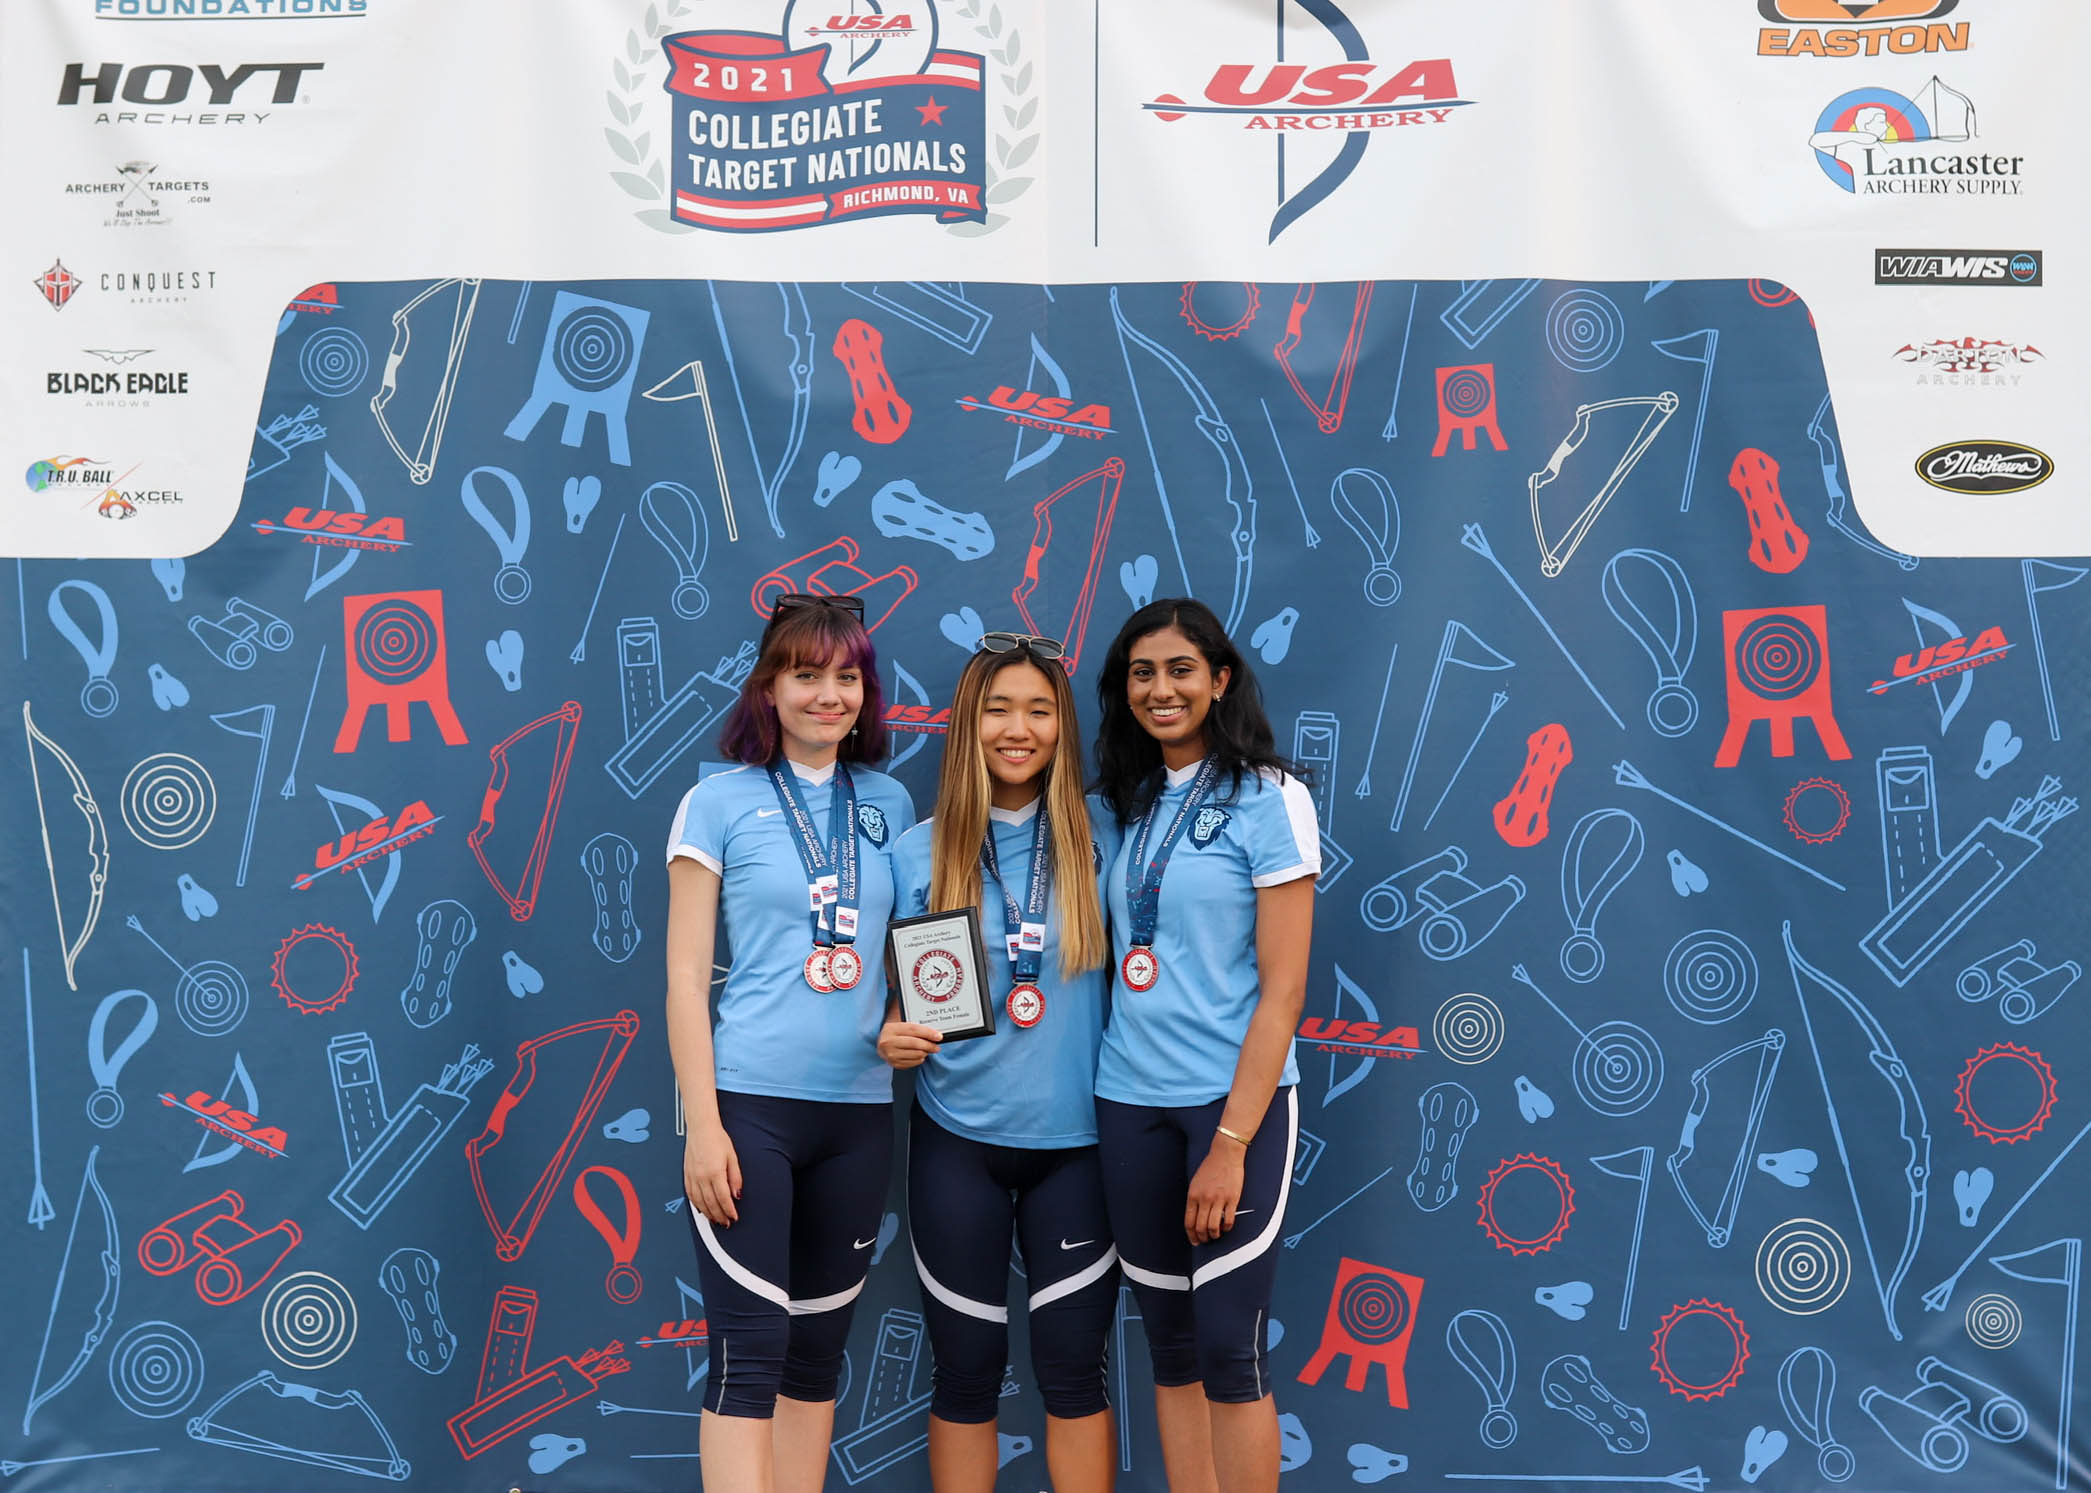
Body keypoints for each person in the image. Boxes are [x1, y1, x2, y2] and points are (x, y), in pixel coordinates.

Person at [664, 594, 916, 1492]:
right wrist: (704, 1124)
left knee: (815, 1352)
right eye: (806, 675)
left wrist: (900, 1020)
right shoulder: (717, 800)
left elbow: (905, 954)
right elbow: (686, 978)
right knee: (750, 1348)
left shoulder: (888, 803)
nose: (827, 695)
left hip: (857, 1115)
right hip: (749, 1112)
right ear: (769, 688)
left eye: (845, 678)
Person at [881, 633, 1122, 1493]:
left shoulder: (1109, 836)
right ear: (967, 725)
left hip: (1083, 1146)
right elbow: (886, 1004)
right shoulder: (916, 851)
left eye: (1038, 708)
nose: (1017, 728)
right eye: (997, 708)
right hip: (956, 1143)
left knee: (1071, 1371)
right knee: (966, 1371)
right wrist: (892, 1029)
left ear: (1062, 724)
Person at [1089, 598, 1318, 1493]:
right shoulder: (1124, 803)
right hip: (1128, 1102)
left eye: (1180, 668)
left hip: (1231, 1110)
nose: (1160, 689)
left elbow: (1286, 988)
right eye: (1142, 673)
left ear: (1220, 679)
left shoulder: (1270, 797)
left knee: (1228, 1347)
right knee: (1172, 1344)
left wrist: (1229, 1143)